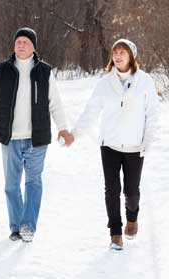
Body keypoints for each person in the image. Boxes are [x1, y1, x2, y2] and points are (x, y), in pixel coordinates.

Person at [0, 27, 73, 242]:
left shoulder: (45, 71)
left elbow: (55, 104)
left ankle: (28, 225)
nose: (20, 44)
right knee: (11, 186)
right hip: (9, 137)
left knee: (33, 182)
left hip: (36, 138)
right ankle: (15, 226)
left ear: (33, 46)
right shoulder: (1, 71)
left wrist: (63, 128)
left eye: (25, 41)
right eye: (17, 41)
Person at [71, 39, 159, 250]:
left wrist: (147, 141)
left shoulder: (145, 81)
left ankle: (132, 218)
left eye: (123, 52)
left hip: (134, 146)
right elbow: (91, 110)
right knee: (112, 190)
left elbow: (152, 114)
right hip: (109, 145)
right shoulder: (105, 83)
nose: (118, 56)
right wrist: (75, 133)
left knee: (131, 191)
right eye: (115, 52)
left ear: (131, 56)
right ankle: (115, 233)